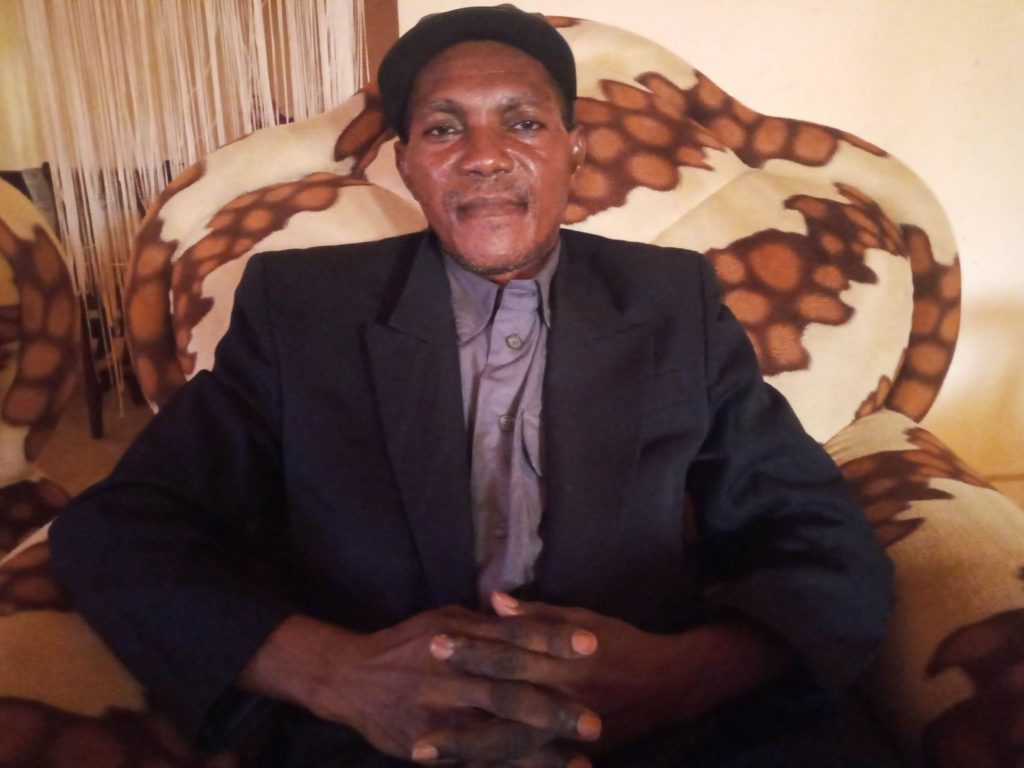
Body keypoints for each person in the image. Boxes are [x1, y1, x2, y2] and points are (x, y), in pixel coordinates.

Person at [50, 5, 893, 767]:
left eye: (522, 122)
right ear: (408, 165)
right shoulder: (302, 309)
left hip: (656, 739)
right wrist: (335, 674)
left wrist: (680, 679)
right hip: (372, 745)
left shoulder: (672, 302)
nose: (484, 155)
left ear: (574, 151)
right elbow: (118, 530)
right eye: (444, 128)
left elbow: (822, 538)